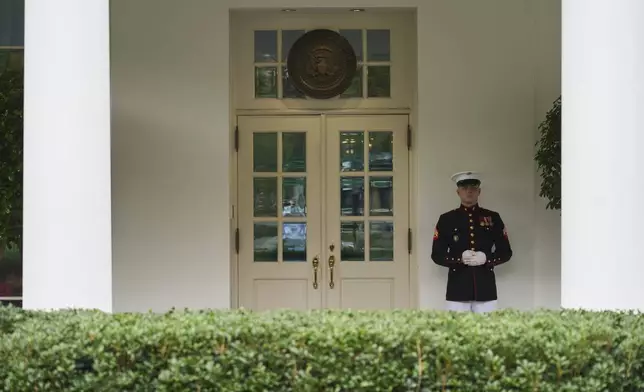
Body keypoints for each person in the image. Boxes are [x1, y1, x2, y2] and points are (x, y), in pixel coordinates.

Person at [431, 171, 512, 313]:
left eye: (473, 188)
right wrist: (459, 259)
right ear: (458, 192)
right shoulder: (446, 219)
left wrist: (487, 258)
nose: (469, 191)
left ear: (479, 191)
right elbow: (437, 255)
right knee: (456, 333)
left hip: (485, 289)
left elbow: (506, 252)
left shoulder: (492, 217)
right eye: (464, 187)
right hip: (457, 290)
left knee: (488, 333)